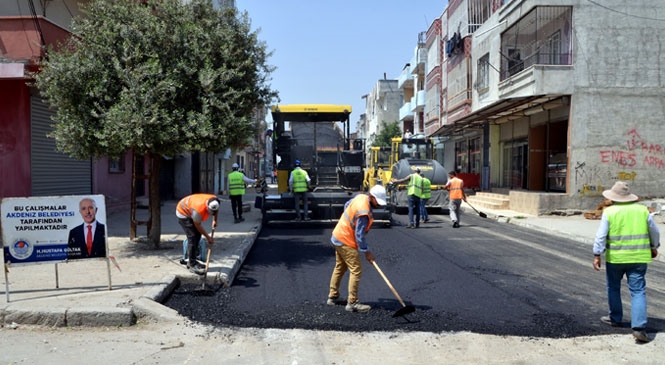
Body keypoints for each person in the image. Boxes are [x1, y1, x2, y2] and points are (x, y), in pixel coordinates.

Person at [592, 181, 660, 343]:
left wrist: (597, 254)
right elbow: (654, 231)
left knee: (613, 287)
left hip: (616, 258)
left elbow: (600, 236)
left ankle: (615, 318)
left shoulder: (609, 212)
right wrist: (654, 246)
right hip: (638, 258)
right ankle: (638, 328)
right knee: (638, 291)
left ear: (613, 198)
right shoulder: (643, 211)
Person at [327, 185, 388, 312]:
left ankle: (333, 297)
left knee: (340, 267)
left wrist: (348, 223)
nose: (379, 205)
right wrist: (367, 252)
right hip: (345, 240)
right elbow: (359, 236)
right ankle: (352, 303)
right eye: (378, 201)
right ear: (371, 197)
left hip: (337, 235)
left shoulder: (360, 197)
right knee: (356, 270)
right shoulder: (364, 212)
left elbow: (347, 205)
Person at [176, 193, 219, 275]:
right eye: (209, 211)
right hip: (183, 212)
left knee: (198, 236)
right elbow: (198, 226)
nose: (210, 214)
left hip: (190, 208)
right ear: (207, 206)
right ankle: (192, 264)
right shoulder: (198, 210)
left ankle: (193, 260)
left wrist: (215, 220)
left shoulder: (215, 200)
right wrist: (208, 237)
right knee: (192, 237)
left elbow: (216, 210)